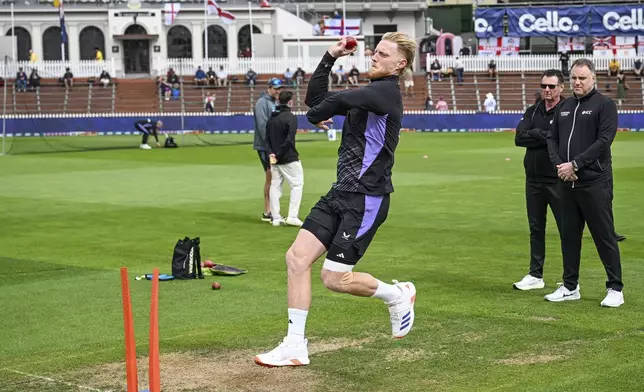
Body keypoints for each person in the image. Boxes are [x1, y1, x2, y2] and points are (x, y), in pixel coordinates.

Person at [254, 32, 417, 368]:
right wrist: (329, 56)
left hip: (366, 199)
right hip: (340, 193)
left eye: (383, 54)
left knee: (334, 278)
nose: (374, 56)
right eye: (375, 51)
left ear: (399, 64)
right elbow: (318, 103)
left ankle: (397, 295)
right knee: (297, 259)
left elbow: (324, 108)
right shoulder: (370, 93)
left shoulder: (385, 93)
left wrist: (321, 112)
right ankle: (295, 345)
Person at [545, 58, 623, 307]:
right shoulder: (565, 106)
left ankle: (615, 288)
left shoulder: (604, 105)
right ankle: (570, 286)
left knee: (604, 236)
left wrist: (575, 164)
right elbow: (552, 138)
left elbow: (603, 141)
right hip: (566, 182)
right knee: (568, 236)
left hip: (594, 182)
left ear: (593, 79)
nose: (577, 82)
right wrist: (561, 166)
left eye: (582, 78)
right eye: (574, 78)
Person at [513, 69, 565, 291]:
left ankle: (570, 278)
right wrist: (543, 135)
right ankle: (536, 275)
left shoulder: (567, 111)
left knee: (567, 229)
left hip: (557, 179)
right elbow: (519, 138)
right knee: (536, 229)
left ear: (561, 88)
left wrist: (535, 134)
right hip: (533, 179)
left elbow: (562, 142)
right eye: (544, 85)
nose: (547, 90)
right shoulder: (533, 110)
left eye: (551, 86)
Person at [266, 90, 304, 227]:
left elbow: (267, 139)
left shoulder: (272, 118)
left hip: (274, 159)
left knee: (275, 186)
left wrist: (272, 154)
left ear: (278, 101)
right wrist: (278, 154)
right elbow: (289, 140)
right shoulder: (291, 117)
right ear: (290, 102)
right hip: (288, 157)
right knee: (297, 184)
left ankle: (276, 218)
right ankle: (292, 216)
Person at [253, 78, 282, 222]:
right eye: (275, 88)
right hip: (265, 146)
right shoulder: (262, 103)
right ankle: (268, 211)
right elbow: (262, 125)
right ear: (268, 88)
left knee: (274, 176)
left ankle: (272, 210)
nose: (278, 91)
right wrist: (272, 145)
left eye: (279, 88)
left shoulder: (274, 102)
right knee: (270, 176)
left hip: (273, 145)